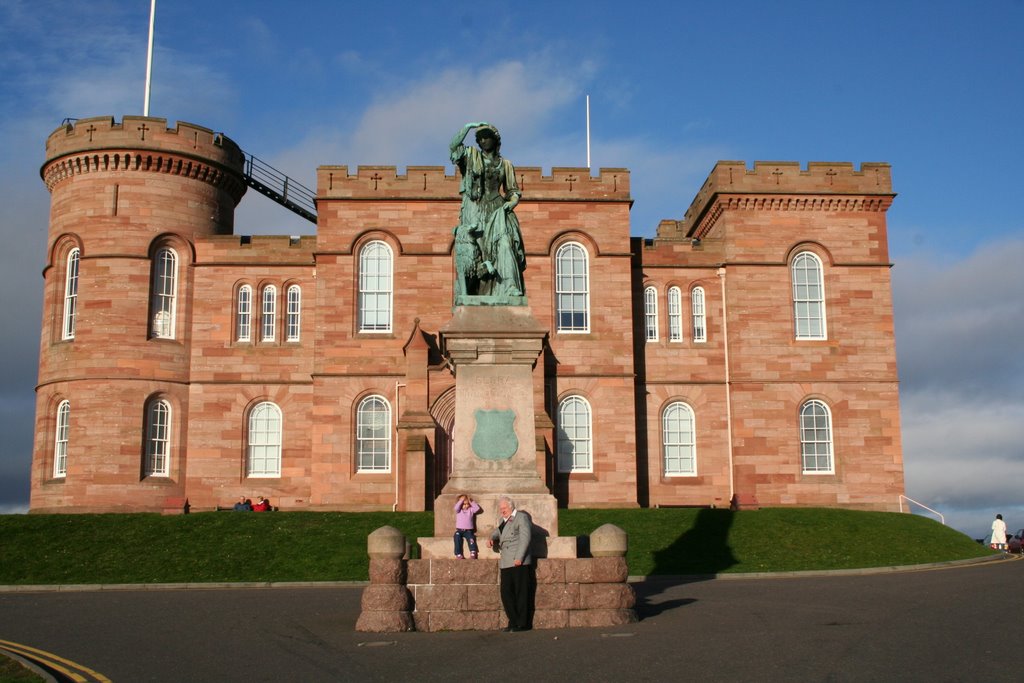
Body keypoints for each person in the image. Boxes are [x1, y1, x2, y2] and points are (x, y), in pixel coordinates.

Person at [449, 122, 525, 300]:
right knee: (477, 251)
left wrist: (512, 202)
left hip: (498, 208)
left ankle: (510, 286)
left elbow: (512, 190)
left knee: (505, 243)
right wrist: (468, 126)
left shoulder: (505, 164)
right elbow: (453, 146)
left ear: (495, 140)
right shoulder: (470, 157)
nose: (483, 140)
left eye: (487, 137)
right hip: (475, 209)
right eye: (480, 138)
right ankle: (473, 292)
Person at [487, 496, 535, 632]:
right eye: (501, 509)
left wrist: (519, 557)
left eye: (504, 508)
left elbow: (525, 538)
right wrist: (491, 538)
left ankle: (522, 623)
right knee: (506, 593)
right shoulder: (504, 520)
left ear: (511, 507)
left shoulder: (521, 518)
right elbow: (498, 531)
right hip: (506, 562)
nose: (502, 511)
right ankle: (513, 621)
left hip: (518, 561)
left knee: (521, 593)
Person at [453, 494, 482, 559]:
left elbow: (477, 508)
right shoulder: (459, 510)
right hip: (459, 530)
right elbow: (456, 507)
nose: (466, 506)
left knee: (471, 539)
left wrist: (471, 501)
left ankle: (473, 552)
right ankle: (458, 554)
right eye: (464, 504)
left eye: (467, 504)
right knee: (456, 537)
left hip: (468, 531)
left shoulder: (471, 510)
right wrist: (461, 500)